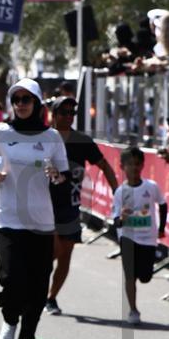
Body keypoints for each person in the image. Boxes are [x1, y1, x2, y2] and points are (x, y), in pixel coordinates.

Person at [0, 78, 69, 339]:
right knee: (11, 277)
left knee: (37, 287)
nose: (20, 104)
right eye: (16, 99)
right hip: (7, 217)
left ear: (37, 103)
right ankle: (10, 320)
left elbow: (63, 178)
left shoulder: (52, 137)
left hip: (41, 222)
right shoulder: (1, 132)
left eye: (26, 99)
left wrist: (56, 176)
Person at [45, 96, 118, 315]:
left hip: (71, 205)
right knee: (53, 250)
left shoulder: (82, 141)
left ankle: (51, 298)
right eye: (64, 112)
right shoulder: (44, 139)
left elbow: (104, 165)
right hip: (45, 204)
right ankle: (34, 281)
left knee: (65, 254)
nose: (69, 117)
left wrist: (118, 192)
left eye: (72, 113)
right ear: (54, 115)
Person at [113, 147, 167, 324]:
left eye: (137, 164)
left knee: (145, 276)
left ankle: (143, 274)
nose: (134, 168)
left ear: (143, 165)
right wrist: (122, 218)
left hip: (148, 239)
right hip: (128, 238)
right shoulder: (120, 192)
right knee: (130, 275)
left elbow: (162, 204)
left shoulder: (151, 187)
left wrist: (161, 228)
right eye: (130, 164)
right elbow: (116, 222)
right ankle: (133, 310)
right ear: (122, 167)